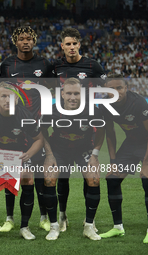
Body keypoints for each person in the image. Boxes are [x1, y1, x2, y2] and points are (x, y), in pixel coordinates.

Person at [0, 26, 54, 233]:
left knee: (38, 174)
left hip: (36, 126)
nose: (25, 42)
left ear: (34, 41)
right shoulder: (6, 65)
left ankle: (43, 217)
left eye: (29, 38)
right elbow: (2, 93)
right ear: (15, 41)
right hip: (13, 125)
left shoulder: (44, 64)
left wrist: (46, 119)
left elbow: (49, 92)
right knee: (10, 173)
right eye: (21, 38)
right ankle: (9, 218)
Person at [0, 82, 44, 240]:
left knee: (27, 178)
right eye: (3, 96)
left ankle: (24, 227)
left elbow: (39, 139)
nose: (7, 100)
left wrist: (29, 154)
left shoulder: (26, 115)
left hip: (17, 154)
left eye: (11, 96)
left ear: (17, 100)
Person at [52, 27, 106, 232]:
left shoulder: (93, 65)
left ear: (79, 44)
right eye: (68, 44)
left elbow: (106, 89)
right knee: (62, 176)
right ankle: (62, 216)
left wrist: (95, 108)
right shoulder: (56, 67)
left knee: (89, 176)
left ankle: (88, 220)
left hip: (86, 126)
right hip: (61, 124)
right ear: (62, 46)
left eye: (75, 43)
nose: (72, 47)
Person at [42, 78, 105, 241]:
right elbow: (42, 132)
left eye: (76, 93)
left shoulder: (92, 111)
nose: (72, 97)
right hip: (59, 150)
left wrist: (95, 155)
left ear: (82, 94)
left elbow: (101, 132)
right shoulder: (52, 110)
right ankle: (55, 224)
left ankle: (89, 226)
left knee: (94, 180)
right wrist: (49, 155)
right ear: (62, 94)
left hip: (83, 149)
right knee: (49, 180)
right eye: (69, 93)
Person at [98, 74, 148, 243]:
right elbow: (110, 134)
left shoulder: (139, 102)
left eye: (119, 88)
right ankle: (117, 227)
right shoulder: (105, 106)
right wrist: (113, 162)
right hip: (131, 144)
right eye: (111, 89)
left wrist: (146, 163)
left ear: (126, 88)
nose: (116, 92)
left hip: (146, 143)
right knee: (112, 178)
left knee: (147, 179)